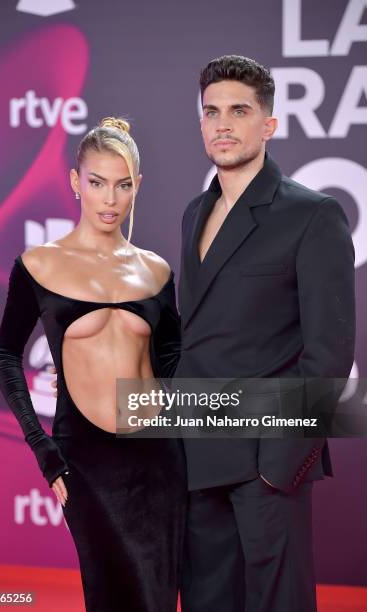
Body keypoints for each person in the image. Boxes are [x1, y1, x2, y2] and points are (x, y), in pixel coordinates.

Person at [175, 56, 355, 612]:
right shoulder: (193, 213)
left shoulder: (312, 215)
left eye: (239, 111)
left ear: (268, 125)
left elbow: (328, 353)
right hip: (195, 459)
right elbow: (194, 336)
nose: (223, 124)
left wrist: (277, 464)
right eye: (211, 112)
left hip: (265, 467)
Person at [0, 117, 187, 612]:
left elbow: (171, 358)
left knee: (158, 599)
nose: (110, 199)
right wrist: (43, 448)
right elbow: (5, 356)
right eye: (97, 183)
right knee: (107, 597)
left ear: (137, 187)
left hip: (157, 457)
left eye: (123, 186)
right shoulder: (39, 264)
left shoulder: (155, 269)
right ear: (76, 182)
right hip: (86, 460)